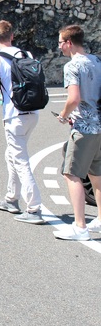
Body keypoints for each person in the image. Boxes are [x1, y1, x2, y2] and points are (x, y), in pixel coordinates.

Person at [0, 20, 45, 224]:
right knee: (11, 155)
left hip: (14, 115)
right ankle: (11, 198)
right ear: (12, 36)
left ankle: (34, 208)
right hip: (32, 112)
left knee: (20, 160)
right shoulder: (26, 55)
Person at [52, 25, 101, 241]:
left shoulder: (72, 66)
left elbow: (74, 98)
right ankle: (99, 220)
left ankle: (80, 227)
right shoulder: (97, 61)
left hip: (83, 128)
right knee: (97, 175)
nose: (60, 46)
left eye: (61, 42)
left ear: (69, 43)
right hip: (100, 125)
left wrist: (63, 115)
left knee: (71, 174)